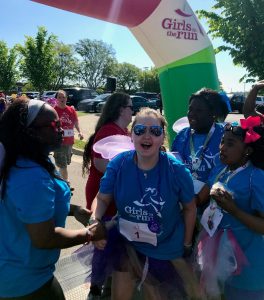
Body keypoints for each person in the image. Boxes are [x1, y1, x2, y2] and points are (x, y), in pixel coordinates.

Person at [89, 108, 201, 300]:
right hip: (127, 239)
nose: (147, 136)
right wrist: (95, 220)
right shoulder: (119, 164)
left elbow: (190, 208)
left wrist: (187, 243)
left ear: (163, 136)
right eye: (140, 130)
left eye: (155, 131)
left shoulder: (177, 171)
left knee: (176, 293)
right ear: (131, 135)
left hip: (166, 243)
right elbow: (102, 198)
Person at [0, 99, 105, 300]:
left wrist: (73, 210)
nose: (61, 129)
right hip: (24, 282)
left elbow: (30, 209)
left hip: (22, 271)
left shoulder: (32, 159)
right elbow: (44, 238)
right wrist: (90, 234)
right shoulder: (30, 175)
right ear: (31, 132)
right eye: (54, 125)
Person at [196, 116, 264, 299]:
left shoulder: (255, 178)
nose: (222, 147)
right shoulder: (223, 171)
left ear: (247, 151)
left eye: (230, 144)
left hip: (252, 261)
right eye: (222, 141)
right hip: (226, 257)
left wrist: (234, 210)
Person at [82, 92, 132, 298]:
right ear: (121, 109)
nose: (133, 111)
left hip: (114, 192)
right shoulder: (109, 130)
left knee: (112, 239)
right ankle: (96, 287)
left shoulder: (122, 130)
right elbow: (100, 163)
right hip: (103, 192)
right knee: (103, 239)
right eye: (130, 107)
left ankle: (108, 282)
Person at [171, 88, 229, 211]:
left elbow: (217, 177)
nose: (192, 114)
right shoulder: (182, 136)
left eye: (198, 110)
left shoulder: (224, 136)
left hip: (211, 207)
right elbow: (174, 168)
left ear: (212, 113)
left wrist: (194, 202)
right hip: (183, 199)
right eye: (190, 109)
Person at [54, 90, 84, 181]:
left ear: (67, 98)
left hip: (69, 142)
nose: (62, 99)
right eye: (60, 97)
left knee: (64, 163)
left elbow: (75, 121)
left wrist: (80, 131)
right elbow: (49, 125)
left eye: (64, 97)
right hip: (59, 142)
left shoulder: (71, 110)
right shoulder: (53, 111)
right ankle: (66, 183)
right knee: (63, 165)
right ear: (56, 99)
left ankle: (57, 178)